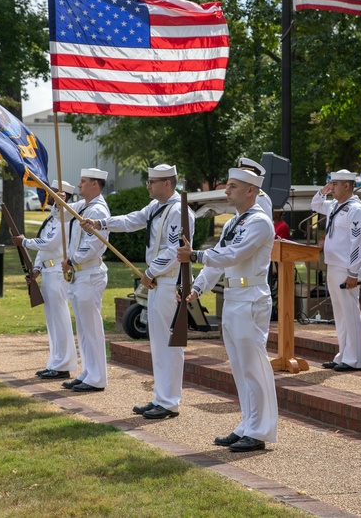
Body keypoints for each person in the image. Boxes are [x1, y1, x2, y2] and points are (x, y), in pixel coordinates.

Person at [177, 162, 278, 452]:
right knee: (239, 367)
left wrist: (194, 255)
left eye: (233, 186)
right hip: (233, 297)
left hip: (250, 297)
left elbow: (233, 255)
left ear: (250, 190)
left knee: (253, 367)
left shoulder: (259, 221)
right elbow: (219, 257)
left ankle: (259, 431)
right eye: (228, 184)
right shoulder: (235, 221)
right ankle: (247, 424)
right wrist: (197, 287)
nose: (226, 190)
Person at [82, 164, 195, 420]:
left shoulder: (179, 211)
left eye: (152, 182)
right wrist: (100, 222)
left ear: (167, 183)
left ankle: (169, 402)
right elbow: (132, 220)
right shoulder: (156, 207)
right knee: (157, 343)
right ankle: (161, 398)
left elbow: (174, 251)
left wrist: (150, 272)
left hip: (168, 282)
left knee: (168, 344)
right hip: (157, 281)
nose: (148, 186)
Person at [11, 180, 78, 379]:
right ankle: (55, 362)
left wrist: (25, 241)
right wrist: (37, 267)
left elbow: (49, 243)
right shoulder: (53, 216)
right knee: (52, 320)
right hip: (48, 272)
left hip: (58, 272)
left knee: (60, 319)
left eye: (53, 193)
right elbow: (43, 246)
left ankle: (64, 364)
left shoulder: (65, 219)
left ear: (63, 195)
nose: (47, 196)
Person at [311, 169, 361, 372]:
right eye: (331, 183)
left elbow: (358, 242)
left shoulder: (355, 209)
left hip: (346, 268)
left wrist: (353, 272)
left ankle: (354, 359)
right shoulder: (336, 206)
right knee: (340, 313)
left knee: (350, 313)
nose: (332, 187)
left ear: (347, 186)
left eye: (335, 184)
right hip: (333, 265)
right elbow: (315, 205)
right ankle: (343, 354)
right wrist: (323, 191)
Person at [59, 168, 110, 393]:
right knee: (83, 327)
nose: (78, 186)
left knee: (92, 328)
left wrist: (73, 258)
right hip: (78, 273)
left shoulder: (98, 209)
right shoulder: (83, 206)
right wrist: (59, 202)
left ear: (95, 185)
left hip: (89, 272)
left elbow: (95, 243)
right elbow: (61, 216)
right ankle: (88, 372)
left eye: (83, 182)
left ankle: (98, 377)